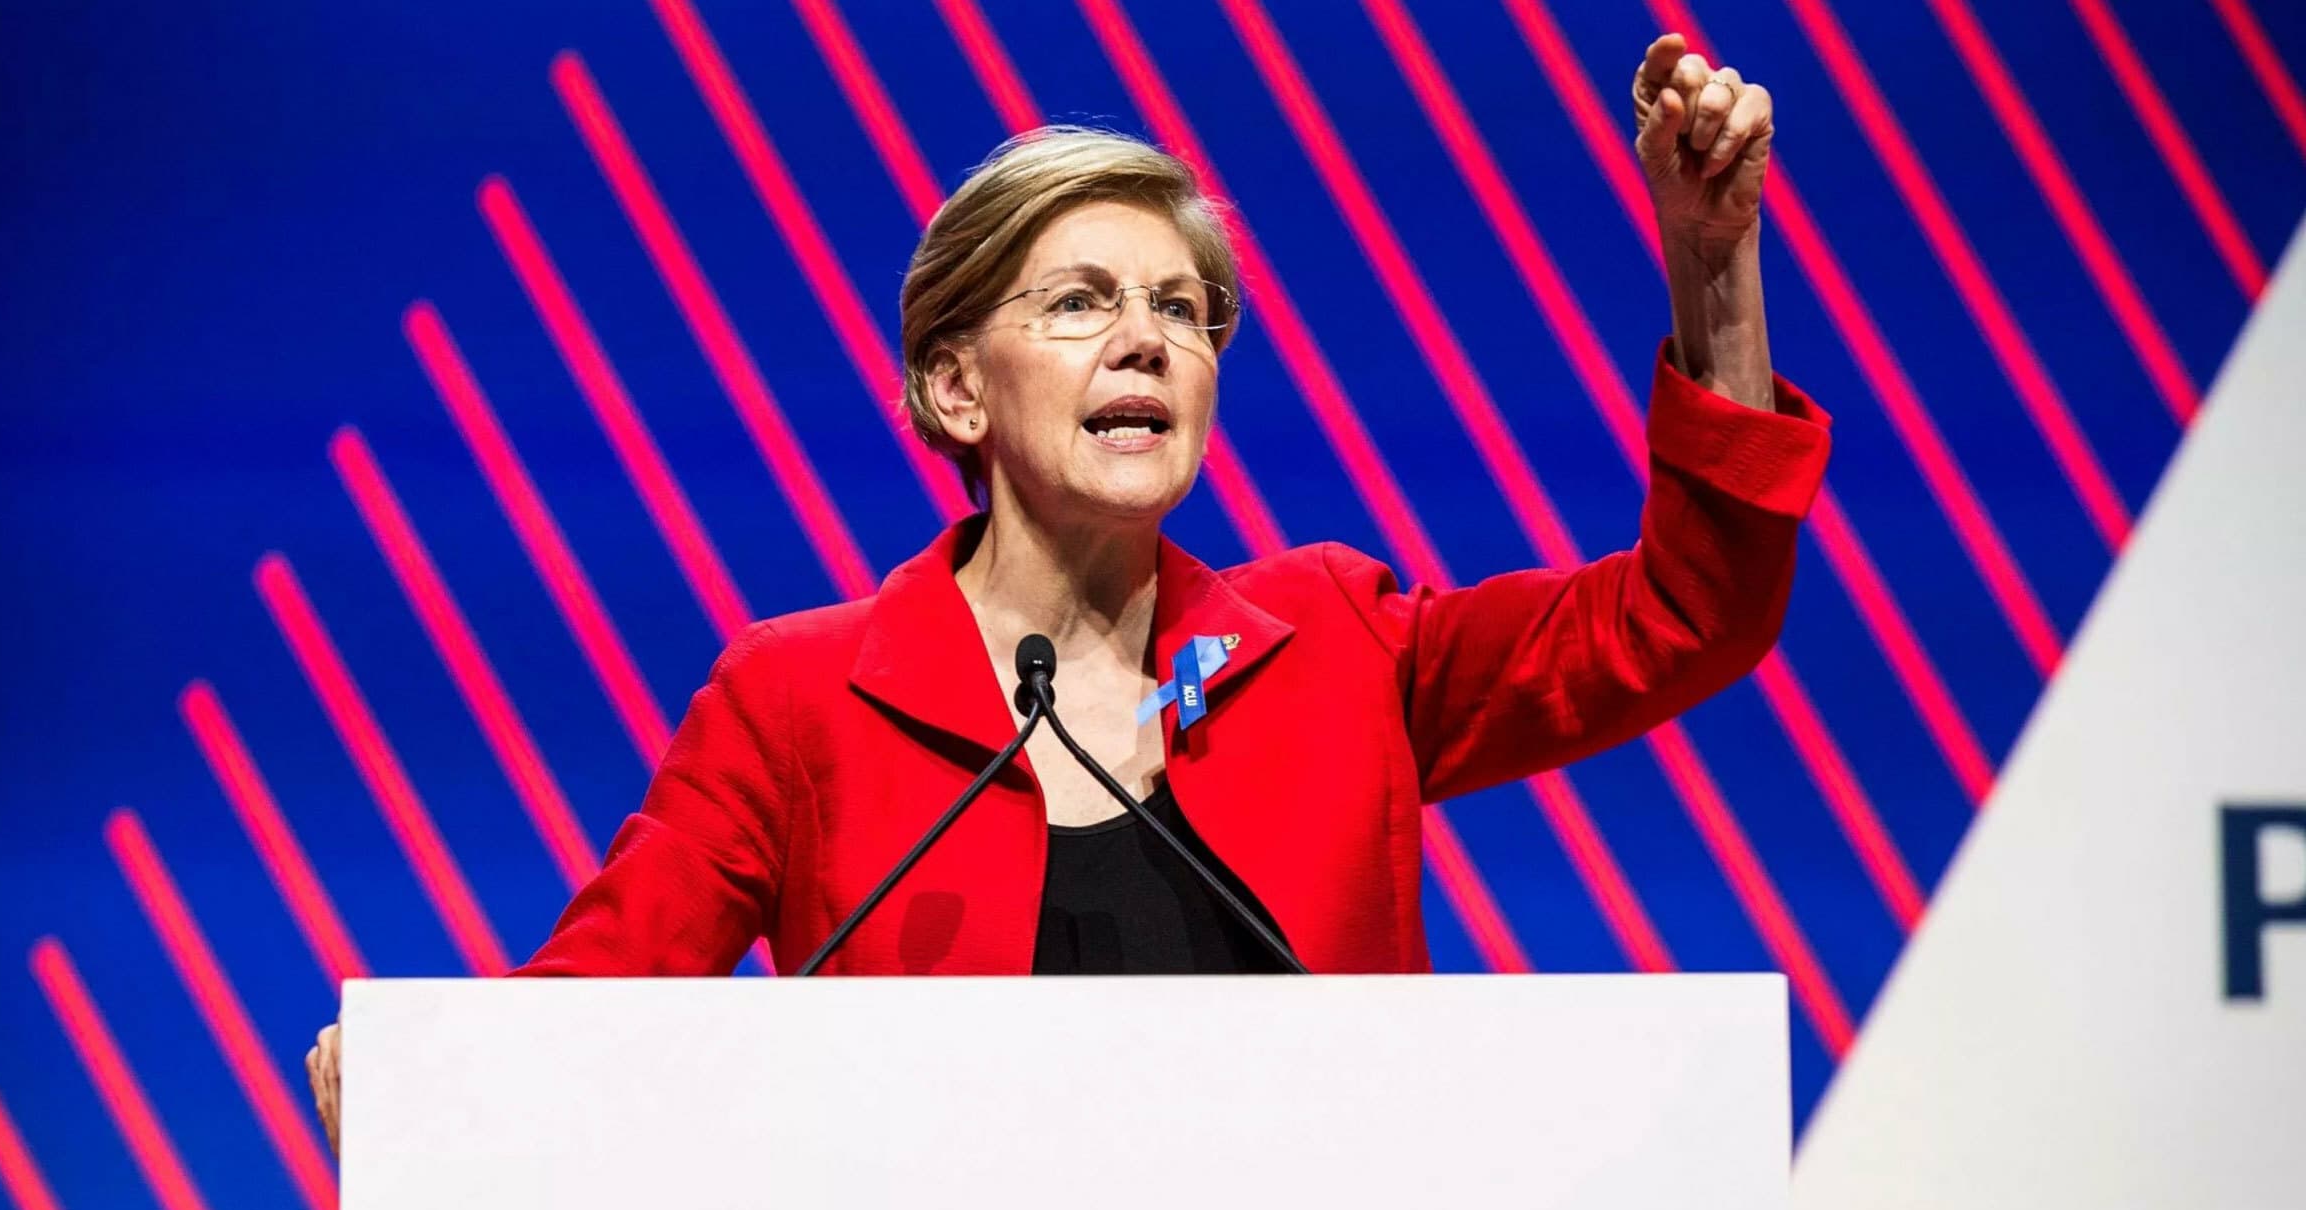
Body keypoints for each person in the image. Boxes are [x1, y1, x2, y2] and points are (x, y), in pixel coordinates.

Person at [306, 34, 1827, 1152]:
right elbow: (593, 1015)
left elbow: (1687, 618)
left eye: (1183, 309)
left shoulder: (1335, 640)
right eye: (1083, 302)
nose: (1150, 341)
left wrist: (1717, 265)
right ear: (955, 388)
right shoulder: (797, 700)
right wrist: (432, 1097)